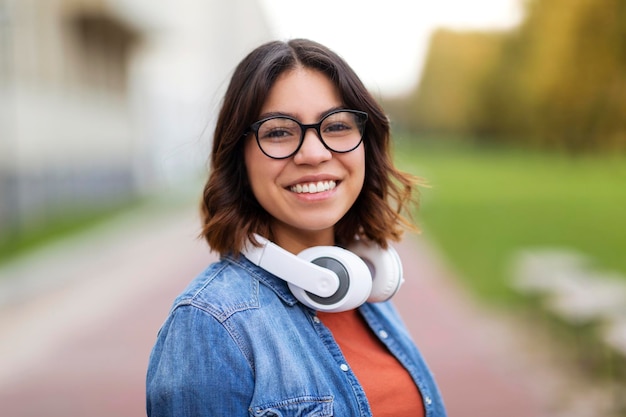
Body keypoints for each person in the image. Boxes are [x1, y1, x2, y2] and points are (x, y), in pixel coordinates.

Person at [146, 38, 447, 417]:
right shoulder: (209, 325)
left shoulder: (367, 290)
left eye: (336, 125)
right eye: (278, 132)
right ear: (239, 156)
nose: (314, 154)